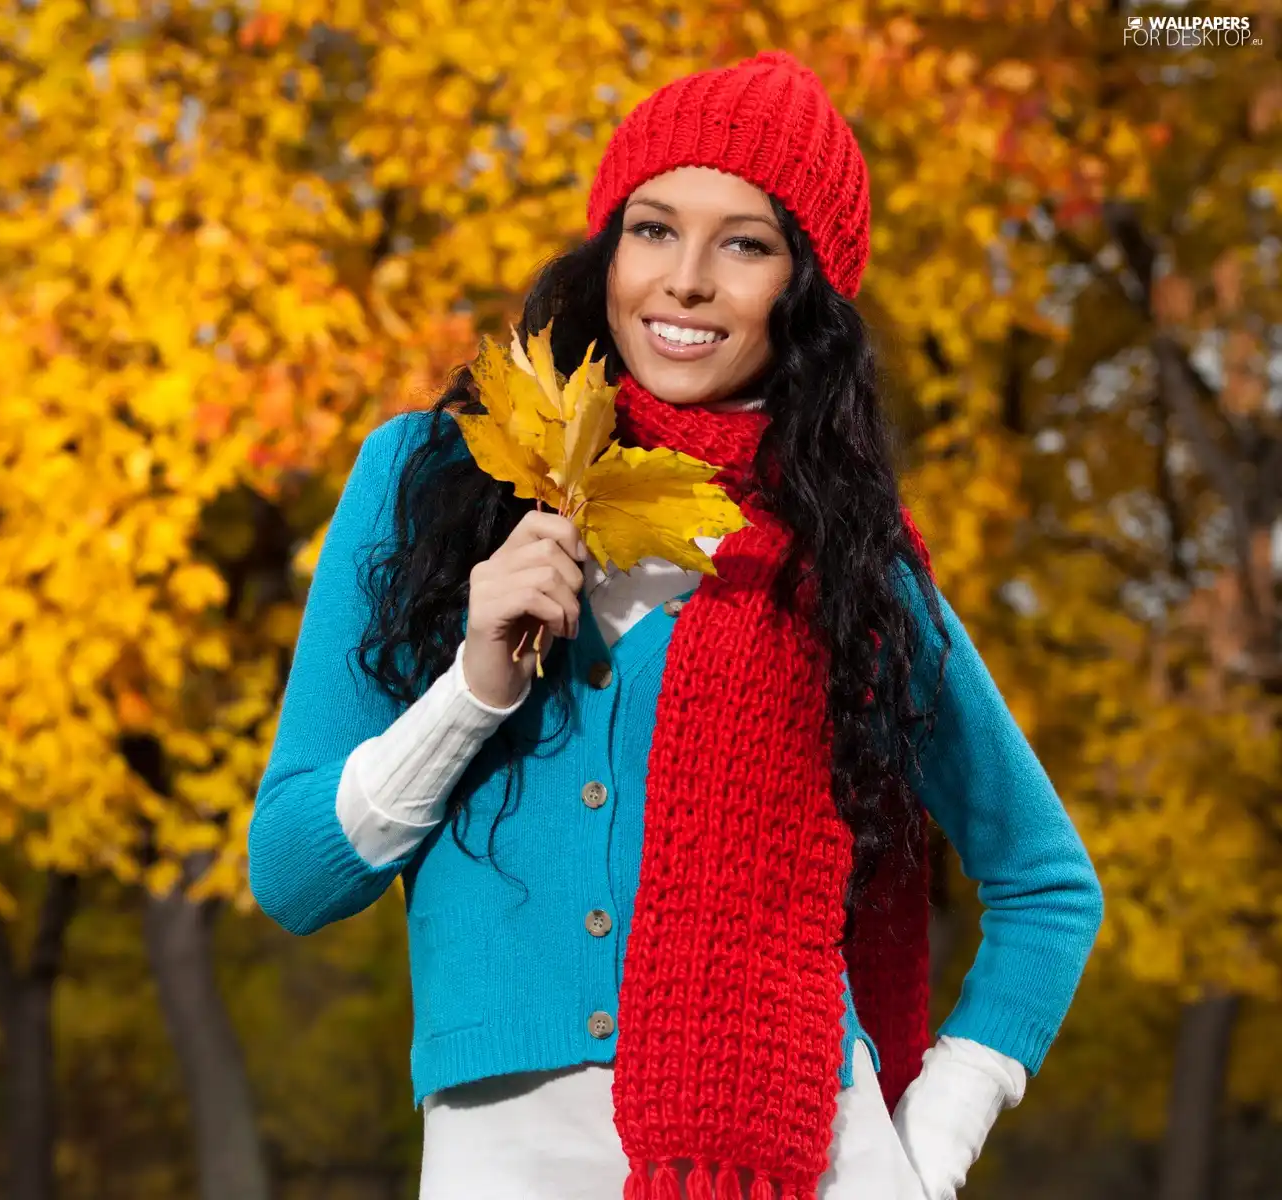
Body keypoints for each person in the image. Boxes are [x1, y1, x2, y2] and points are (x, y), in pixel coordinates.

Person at [247, 49, 1103, 1200]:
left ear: (801, 290)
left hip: (801, 1148)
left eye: (744, 244)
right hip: (508, 1150)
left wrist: (929, 1141)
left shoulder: (843, 559)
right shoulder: (431, 480)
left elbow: (1047, 882)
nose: (686, 280)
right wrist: (474, 688)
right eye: (654, 229)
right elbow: (297, 875)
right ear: (607, 249)